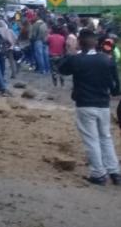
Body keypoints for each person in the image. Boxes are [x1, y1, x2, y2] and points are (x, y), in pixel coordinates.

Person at [58, 28, 121, 185]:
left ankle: (98, 174)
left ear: (80, 43)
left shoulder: (76, 60)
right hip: (103, 105)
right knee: (105, 137)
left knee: (91, 140)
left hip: (85, 104)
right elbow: (116, 89)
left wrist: (71, 52)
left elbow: (62, 69)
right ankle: (115, 172)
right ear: (96, 43)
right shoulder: (107, 60)